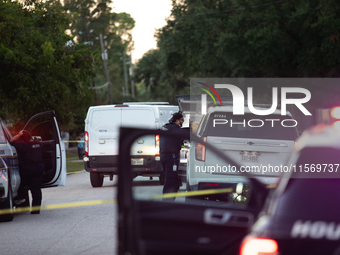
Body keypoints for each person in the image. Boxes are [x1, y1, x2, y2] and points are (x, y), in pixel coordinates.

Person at [10, 130, 45, 214]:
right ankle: (36, 210)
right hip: (38, 169)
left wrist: (18, 135)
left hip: (26, 170)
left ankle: (23, 204)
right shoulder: (38, 144)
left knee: (20, 186)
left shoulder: (22, 146)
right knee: (36, 189)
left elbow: (11, 141)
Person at [160, 112, 190, 200]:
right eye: (181, 120)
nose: (182, 122)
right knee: (170, 180)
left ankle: (171, 198)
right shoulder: (176, 129)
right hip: (171, 158)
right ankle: (167, 201)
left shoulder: (165, 127)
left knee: (174, 179)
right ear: (177, 120)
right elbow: (189, 136)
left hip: (163, 157)